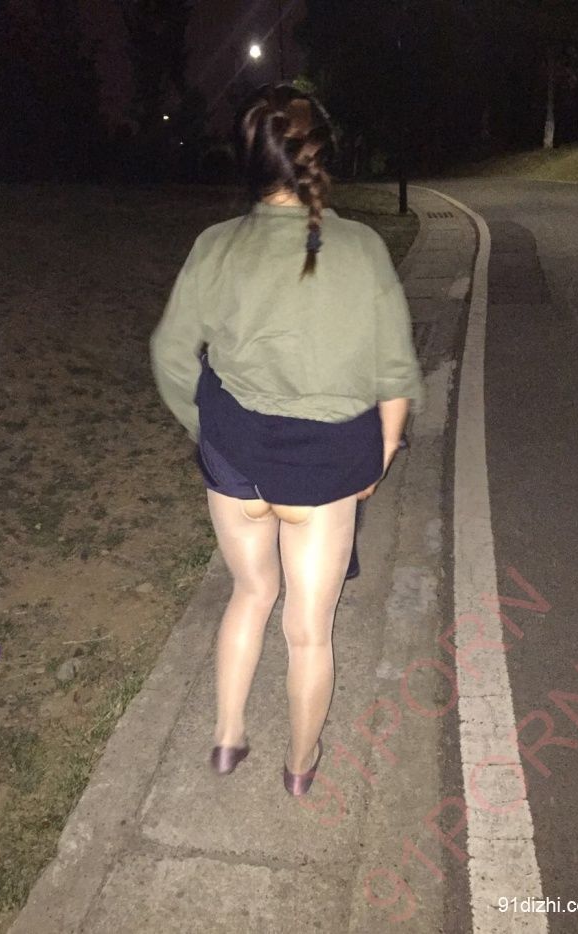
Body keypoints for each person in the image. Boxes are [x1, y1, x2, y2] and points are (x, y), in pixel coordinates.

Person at [149, 83, 424, 796]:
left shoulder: (216, 245)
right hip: (324, 468)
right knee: (309, 630)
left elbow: (171, 355)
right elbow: (396, 372)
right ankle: (300, 766)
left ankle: (226, 738)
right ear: (322, 158)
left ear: (249, 162)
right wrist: (380, 455)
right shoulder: (361, 249)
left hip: (234, 459)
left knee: (249, 593)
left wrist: (208, 432)